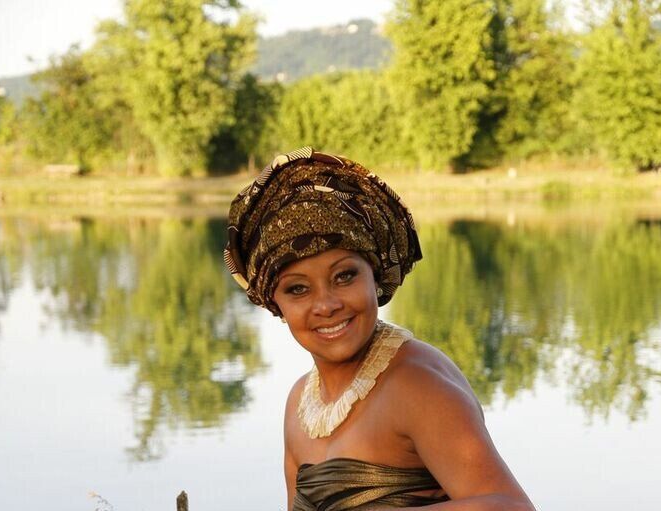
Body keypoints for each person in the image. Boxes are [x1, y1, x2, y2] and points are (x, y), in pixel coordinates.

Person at [225, 147, 535, 510]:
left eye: (344, 276)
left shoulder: (416, 385)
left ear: (375, 276)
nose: (326, 305)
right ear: (275, 302)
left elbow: (512, 506)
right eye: (298, 289)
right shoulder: (298, 406)